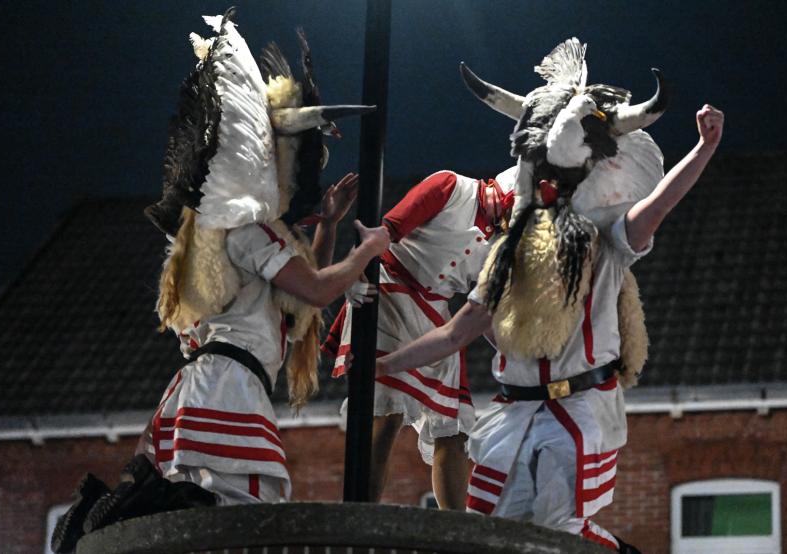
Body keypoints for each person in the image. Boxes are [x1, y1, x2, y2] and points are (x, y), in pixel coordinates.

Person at [51, 13, 385, 552]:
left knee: (209, 522)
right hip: (226, 387)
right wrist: (369, 248)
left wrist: (327, 226)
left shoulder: (235, 234)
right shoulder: (249, 230)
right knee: (236, 521)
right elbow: (320, 291)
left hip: (213, 382)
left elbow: (300, 310)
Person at [375, 104, 725, 551]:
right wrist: (383, 364)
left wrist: (703, 149)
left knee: (559, 528)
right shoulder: (506, 259)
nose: (547, 192)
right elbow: (454, 334)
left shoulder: (607, 243)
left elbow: (657, 207)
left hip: (578, 407)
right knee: (496, 534)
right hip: (515, 411)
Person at [323, 168, 515, 509]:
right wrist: (354, 270)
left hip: (436, 312)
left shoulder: (502, 243)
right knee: (386, 413)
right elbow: (385, 231)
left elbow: (483, 311)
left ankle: (454, 535)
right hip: (390, 291)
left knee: (453, 429)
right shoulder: (451, 186)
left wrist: (521, 357)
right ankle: (358, 519)